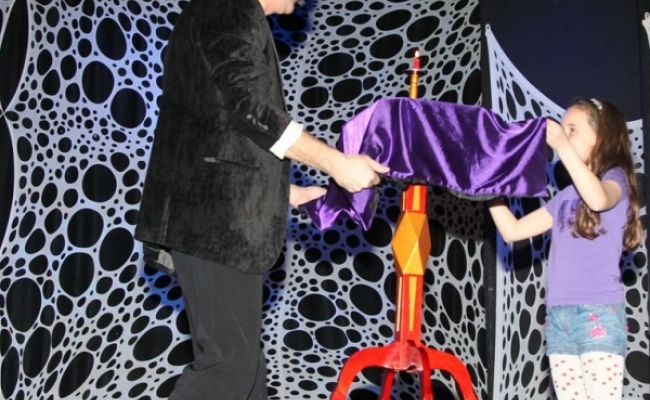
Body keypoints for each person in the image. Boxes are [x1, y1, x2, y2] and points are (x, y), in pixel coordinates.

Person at [134, 0, 389, 399]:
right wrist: (336, 163)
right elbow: (250, 110)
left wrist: (289, 193)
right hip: (215, 220)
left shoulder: (222, 10)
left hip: (214, 214)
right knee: (228, 368)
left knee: (246, 370)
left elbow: (213, 125)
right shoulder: (228, 7)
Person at [488, 98, 642, 400]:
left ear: (601, 137)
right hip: (559, 317)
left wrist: (561, 144)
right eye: (564, 129)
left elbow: (598, 200)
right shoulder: (565, 196)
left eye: (573, 129)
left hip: (597, 314)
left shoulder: (616, 180)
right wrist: (488, 191)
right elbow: (512, 230)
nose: (565, 135)